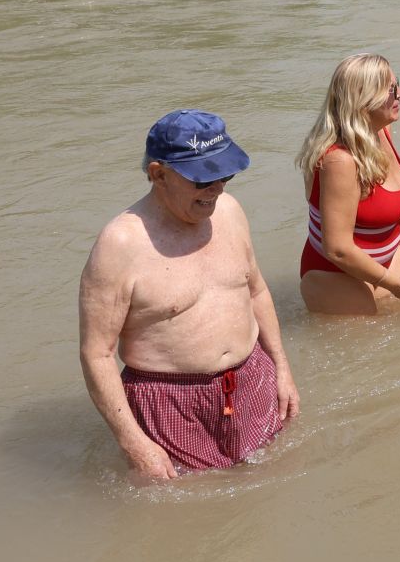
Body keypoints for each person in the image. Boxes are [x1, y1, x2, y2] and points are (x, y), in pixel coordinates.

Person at [78, 110, 300, 480]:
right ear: (158, 174)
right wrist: (134, 442)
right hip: (170, 405)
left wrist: (282, 369)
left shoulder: (230, 211)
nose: (217, 188)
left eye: (224, 174)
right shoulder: (121, 244)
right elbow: (97, 353)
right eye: (203, 179)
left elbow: (257, 290)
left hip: (253, 383)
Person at [297, 53, 400, 315]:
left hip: (386, 260)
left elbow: (391, 204)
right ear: (364, 99)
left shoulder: (381, 130)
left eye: (398, 84)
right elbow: (337, 249)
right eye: (392, 89)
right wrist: (393, 283)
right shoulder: (339, 160)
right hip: (335, 275)